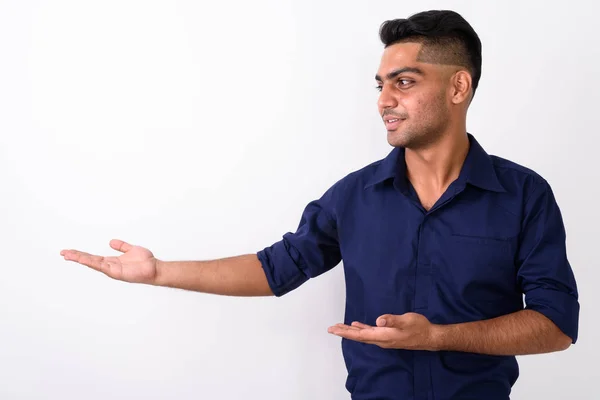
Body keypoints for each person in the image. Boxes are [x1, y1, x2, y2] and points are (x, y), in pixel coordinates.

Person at [60, 9, 579, 400]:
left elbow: (556, 326)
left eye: (404, 82)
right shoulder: (353, 196)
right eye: (381, 85)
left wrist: (437, 337)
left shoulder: (524, 195)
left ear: (458, 87)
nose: (384, 100)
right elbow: (275, 269)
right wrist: (158, 272)